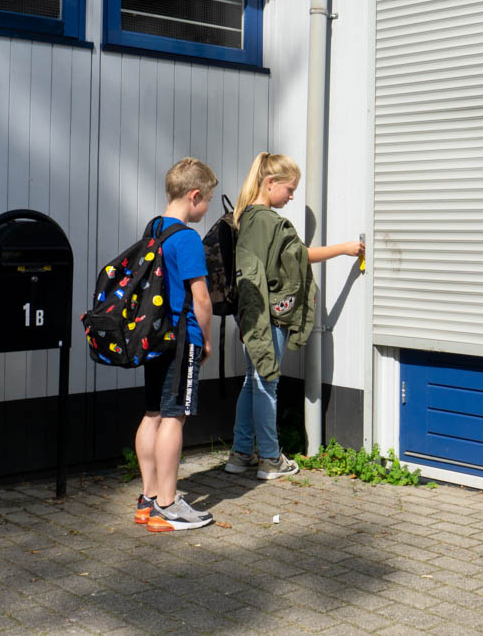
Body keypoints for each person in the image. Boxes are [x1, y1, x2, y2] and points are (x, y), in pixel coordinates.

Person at [224, 152, 361, 479]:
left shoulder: (247, 218)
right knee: (266, 384)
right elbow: (298, 257)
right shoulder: (268, 221)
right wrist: (344, 248)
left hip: (252, 315)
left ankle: (241, 453)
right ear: (270, 183)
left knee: (253, 382)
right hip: (268, 318)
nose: (292, 196)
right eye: (290, 189)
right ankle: (270, 459)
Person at [133, 157, 218, 532]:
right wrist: (207, 340)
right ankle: (167, 506)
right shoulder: (187, 239)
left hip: (153, 336)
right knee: (173, 417)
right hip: (182, 339)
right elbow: (201, 298)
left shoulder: (154, 228)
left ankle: (148, 497)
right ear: (194, 195)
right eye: (208, 200)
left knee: (152, 412)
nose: (207, 207)